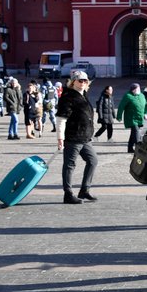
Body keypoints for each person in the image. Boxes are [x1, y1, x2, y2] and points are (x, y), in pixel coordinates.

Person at [55, 71, 98, 204]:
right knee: (69, 165)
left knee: (93, 161)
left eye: (85, 81)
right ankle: (68, 194)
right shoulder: (68, 97)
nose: (83, 83)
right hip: (73, 137)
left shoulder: (83, 95)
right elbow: (61, 119)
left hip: (85, 138)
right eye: (80, 81)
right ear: (73, 82)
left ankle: (84, 190)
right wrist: (60, 138)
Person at [116, 83, 147, 153]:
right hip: (131, 118)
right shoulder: (128, 96)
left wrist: (145, 113)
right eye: (136, 88)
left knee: (133, 133)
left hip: (139, 117)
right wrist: (119, 116)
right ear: (132, 90)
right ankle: (138, 147)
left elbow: (146, 105)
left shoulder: (142, 95)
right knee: (136, 132)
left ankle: (130, 148)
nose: (138, 90)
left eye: (138, 88)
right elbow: (121, 106)